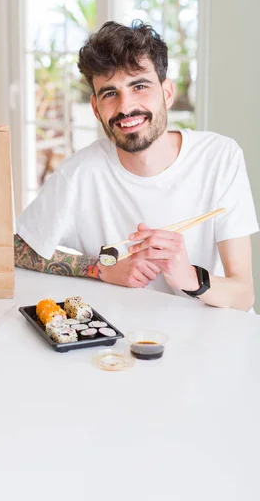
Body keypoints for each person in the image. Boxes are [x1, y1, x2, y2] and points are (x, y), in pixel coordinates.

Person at [14, 20, 258, 311]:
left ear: (167, 93)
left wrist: (190, 277)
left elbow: (244, 295)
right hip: (121, 340)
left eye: (139, 86)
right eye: (109, 93)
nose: (125, 107)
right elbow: (15, 249)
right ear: (95, 108)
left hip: (210, 339)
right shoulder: (79, 174)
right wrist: (101, 268)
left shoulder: (220, 157)